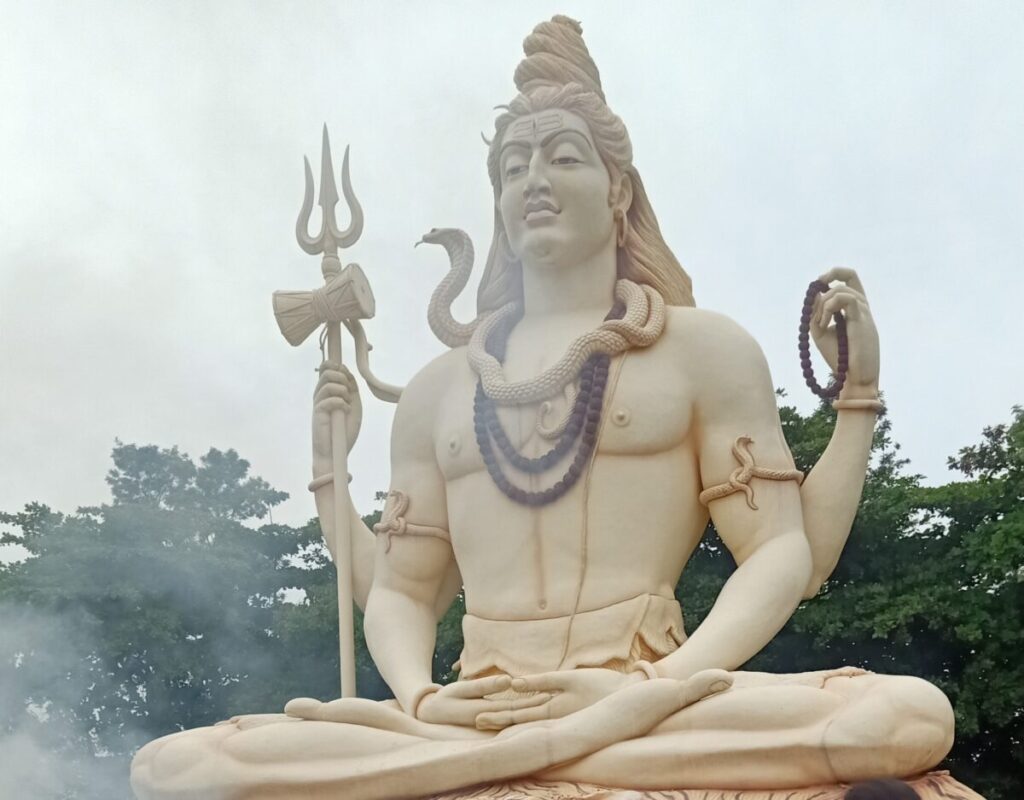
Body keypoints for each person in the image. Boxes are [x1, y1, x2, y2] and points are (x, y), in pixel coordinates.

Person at [131, 16, 955, 800]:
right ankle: (502, 750)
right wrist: (418, 695)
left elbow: (784, 555)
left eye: (563, 158)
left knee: (904, 716)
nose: (535, 180)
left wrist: (657, 686)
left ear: (618, 189)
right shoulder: (437, 391)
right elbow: (402, 593)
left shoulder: (703, 350)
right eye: (514, 166)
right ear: (497, 198)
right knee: (176, 765)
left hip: (647, 695)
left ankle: (496, 758)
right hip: (469, 708)